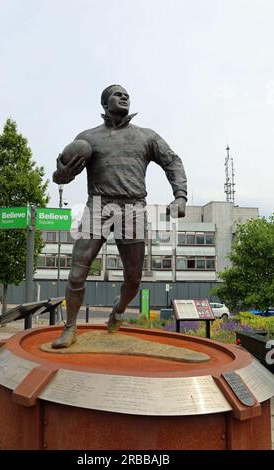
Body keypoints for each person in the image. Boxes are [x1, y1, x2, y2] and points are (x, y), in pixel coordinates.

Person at [52, 84, 187, 348]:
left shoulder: (146, 136)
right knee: (77, 272)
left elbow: (173, 161)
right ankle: (69, 327)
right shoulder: (87, 138)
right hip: (98, 206)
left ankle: (119, 309)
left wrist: (180, 195)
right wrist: (63, 172)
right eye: (117, 93)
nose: (124, 96)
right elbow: (60, 177)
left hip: (132, 208)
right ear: (104, 103)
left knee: (133, 280)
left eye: (126, 94)